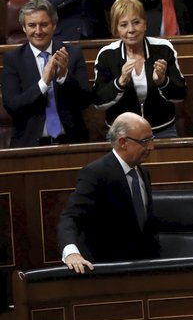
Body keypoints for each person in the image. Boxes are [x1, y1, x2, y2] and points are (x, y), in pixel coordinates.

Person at [57, 113, 159, 273]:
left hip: (143, 267)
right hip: (107, 270)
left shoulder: (143, 172)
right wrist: (71, 252)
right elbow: (70, 217)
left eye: (152, 139)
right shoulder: (96, 173)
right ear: (123, 142)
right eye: (145, 141)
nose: (151, 146)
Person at [1, 0, 93, 148]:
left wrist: (64, 76)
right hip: (29, 145)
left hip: (71, 142)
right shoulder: (13, 59)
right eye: (32, 25)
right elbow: (12, 106)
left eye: (44, 25)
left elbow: (85, 101)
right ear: (24, 28)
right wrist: (43, 83)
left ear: (54, 26)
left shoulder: (72, 53)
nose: (38, 31)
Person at [93, 0, 186, 138]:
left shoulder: (163, 48)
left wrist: (162, 81)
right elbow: (98, 102)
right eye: (123, 25)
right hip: (121, 134)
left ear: (145, 24)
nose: (131, 30)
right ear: (116, 29)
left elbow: (181, 94)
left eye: (136, 22)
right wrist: (120, 82)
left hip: (161, 130)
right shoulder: (107, 55)